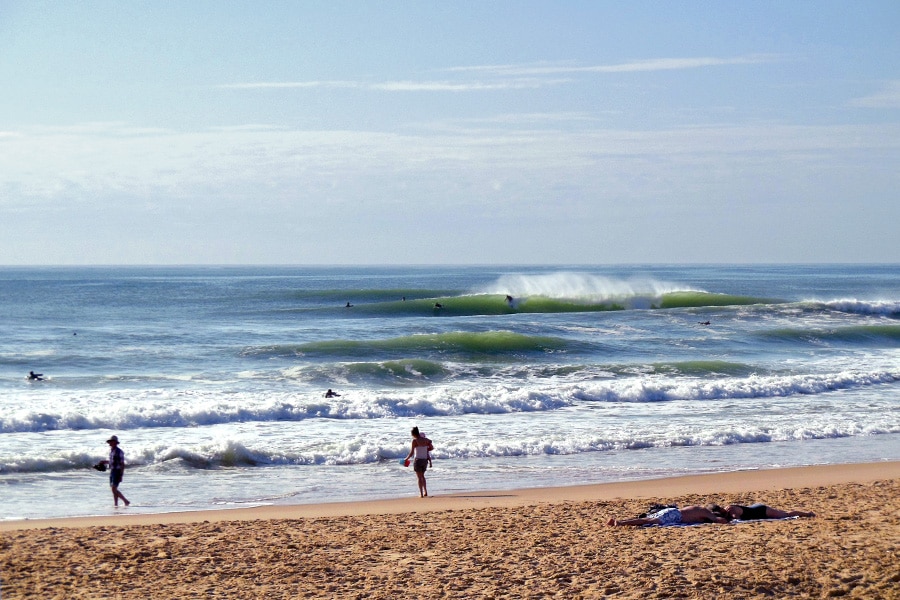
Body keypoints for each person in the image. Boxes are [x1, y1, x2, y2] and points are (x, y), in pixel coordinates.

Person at [607, 505, 729, 527]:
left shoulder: (698, 508)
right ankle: (621, 523)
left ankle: (621, 521)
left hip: (672, 511)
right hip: (675, 515)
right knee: (650, 520)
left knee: (648, 519)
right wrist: (729, 521)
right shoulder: (706, 512)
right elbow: (718, 520)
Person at [99, 435, 130, 507]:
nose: (109, 443)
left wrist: (121, 475)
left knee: (113, 489)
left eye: (111, 442)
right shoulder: (112, 451)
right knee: (113, 489)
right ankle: (116, 504)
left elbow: (122, 464)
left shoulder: (119, 452)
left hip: (117, 471)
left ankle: (126, 501)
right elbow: (112, 461)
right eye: (109, 442)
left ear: (115, 442)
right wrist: (105, 462)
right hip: (112, 471)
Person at [404, 426, 433, 498]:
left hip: (418, 460)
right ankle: (425, 491)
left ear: (413, 434)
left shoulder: (415, 441)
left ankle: (421, 494)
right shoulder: (426, 440)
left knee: (419, 477)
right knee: (423, 476)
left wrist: (406, 459)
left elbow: (411, 453)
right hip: (424, 460)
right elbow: (431, 447)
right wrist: (426, 448)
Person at [725, 503, 815, 520]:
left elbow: (738, 519)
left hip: (761, 511)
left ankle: (808, 514)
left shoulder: (731, 511)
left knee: (786, 515)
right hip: (756, 508)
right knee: (781, 513)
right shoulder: (728, 508)